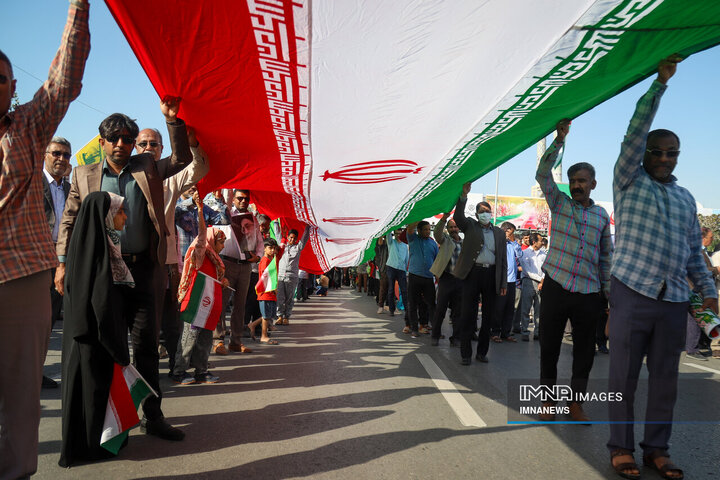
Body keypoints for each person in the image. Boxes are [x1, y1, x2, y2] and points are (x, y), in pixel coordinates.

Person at [55, 99, 192, 442]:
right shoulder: (82, 174)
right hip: (104, 276)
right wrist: (61, 264)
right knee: (111, 348)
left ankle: (153, 415)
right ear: (101, 141)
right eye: (114, 138)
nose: (121, 144)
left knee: (146, 346)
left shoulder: (146, 166)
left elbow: (181, 159)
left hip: (144, 270)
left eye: (127, 138)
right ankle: (115, 422)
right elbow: (70, 221)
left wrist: (171, 121)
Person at [607, 57, 717, 480]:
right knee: (623, 378)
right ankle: (620, 447)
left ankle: (657, 449)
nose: (664, 158)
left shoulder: (687, 199)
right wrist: (660, 84)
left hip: (673, 299)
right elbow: (633, 135)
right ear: (645, 154)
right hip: (631, 290)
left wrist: (707, 290)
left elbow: (694, 252)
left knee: (665, 381)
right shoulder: (628, 180)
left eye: (672, 153)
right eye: (657, 151)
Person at [0, 1, 90, 477]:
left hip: (17, 277)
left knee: (18, 395)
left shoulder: (26, 129)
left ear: (12, 90)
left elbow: (64, 78)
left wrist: (78, 7)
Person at [535, 119, 612, 422]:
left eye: (583, 180)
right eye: (573, 181)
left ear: (593, 183)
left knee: (585, 352)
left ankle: (576, 404)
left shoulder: (602, 216)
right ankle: (547, 402)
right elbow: (542, 174)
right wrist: (559, 140)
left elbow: (606, 258)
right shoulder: (560, 204)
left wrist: (607, 297)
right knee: (549, 347)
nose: (578, 185)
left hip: (589, 294)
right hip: (556, 286)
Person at [59, 192, 132, 467]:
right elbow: (99, 302)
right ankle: (91, 447)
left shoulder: (102, 244)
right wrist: (115, 344)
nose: (125, 217)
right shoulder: (98, 250)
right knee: (90, 391)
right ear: (106, 216)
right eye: (121, 211)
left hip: (93, 335)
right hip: (93, 337)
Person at [135, 126, 209, 374]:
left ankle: (172, 369)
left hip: (162, 262)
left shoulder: (170, 177)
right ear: (136, 147)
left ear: (161, 149)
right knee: (136, 324)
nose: (148, 148)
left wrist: (192, 145)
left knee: (167, 319)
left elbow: (200, 169)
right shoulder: (125, 173)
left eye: (154, 144)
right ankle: (137, 375)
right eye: (143, 144)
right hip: (127, 260)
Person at [172, 192, 229, 385]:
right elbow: (203, 237)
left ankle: (201, 371)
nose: (222, 245)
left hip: (208, 305)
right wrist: (199, 209)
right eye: (221, 241)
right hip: (195, 302)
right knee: (189, 337)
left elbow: (223, 218)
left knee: (205, 339)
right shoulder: (200, 252)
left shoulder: (216, 259)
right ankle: (179, 371)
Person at [453, 184, 507, 364]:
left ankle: (482, 353)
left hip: (491, 275)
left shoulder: (499, 233)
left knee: (488, 317)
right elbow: (458, 217)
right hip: (472, 274)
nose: (485, 213)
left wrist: (503, 283)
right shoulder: (470, 226)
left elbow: (503, 260)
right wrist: (463, 196)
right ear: (477, 215)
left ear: (492, 213)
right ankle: (466, 354)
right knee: (468, 314)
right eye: (482, 211)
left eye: (488, 210)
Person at [213, 190, 262, 354]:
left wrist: (258, 257)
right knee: (222, 303)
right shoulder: (225, 214)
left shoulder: (253, 218)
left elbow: (260, 242)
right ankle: (218, 340)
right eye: (240, 198)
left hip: (246, 266)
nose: (243, 201)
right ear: (233, 199)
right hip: (227, 263)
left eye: (246, 199)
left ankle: (236, 341)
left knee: (240, 305)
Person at [41, 136, 73, 388]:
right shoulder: (33, 183)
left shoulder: (71, 188)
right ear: (45, 154)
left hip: (62, 259)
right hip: (36, 258)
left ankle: (35, 372)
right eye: (56, 153)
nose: (61, 159)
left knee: (49, 318)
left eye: (66, 155)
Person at [430, 213, 463, 346]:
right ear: (448, 229)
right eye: (451, 227)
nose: (454, 229)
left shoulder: (464, 243)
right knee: (440, 309)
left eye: (455, 227)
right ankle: (435, 335)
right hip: (446, 278)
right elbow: (437, 233)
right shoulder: (445, 240)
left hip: (460, 280)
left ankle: (455, 338)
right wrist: (444, 218)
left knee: (457, 312)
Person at [406, 221, 439, 337]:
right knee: (413, 303)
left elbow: (437, 262)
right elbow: (410, 228)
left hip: (428, 278)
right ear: (419, 230)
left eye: (429, 229)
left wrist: (437, 277)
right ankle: (414, 329)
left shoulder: (433, 244)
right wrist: (418, 217)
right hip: (414, 276)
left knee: (431, 305)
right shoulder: (413, 239)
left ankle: (435, 330)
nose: (428, 231)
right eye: (425, 229)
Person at [491, 222, 521, 343]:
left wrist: (514, 241)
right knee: (499, 308)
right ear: (505, 231)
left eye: (513, 233)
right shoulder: (497, 243)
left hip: (512, 281)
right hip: (501, 280)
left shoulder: (512, 245)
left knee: (510, 308)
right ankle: (495, 332)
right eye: (511, 233)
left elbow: (520, 255)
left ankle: (506, 332)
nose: (511, 235)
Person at [248, 238, 281, 344]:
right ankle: (264, 336)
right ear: (264, 249)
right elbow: (265, 278)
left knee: (268, 315)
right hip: (266, 292)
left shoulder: (270, 260)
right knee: (266, 316)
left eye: (274, 248)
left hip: (270, 292)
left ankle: (252, 325)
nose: (272, 250)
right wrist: (273, 288)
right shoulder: (264, 261)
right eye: (270, 248)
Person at [276, 226, 311, 325]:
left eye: (294, 238)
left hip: (292, 277)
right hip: (280, 275)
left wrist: (308, 226)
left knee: (289, 298)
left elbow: (305, 238)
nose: (292, 239)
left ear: (296, 239)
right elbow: (278, 234)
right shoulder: (282, 246)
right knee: (280, 297)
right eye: (290, 237)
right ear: (287, 237)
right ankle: (279, 316)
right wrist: (275, 222)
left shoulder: (298, 247)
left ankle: (287, 317)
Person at [518, 233, 546, 341]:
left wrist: (542, 281)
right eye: (540, 240)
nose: (542, 242)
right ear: (534, 242)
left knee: (538, 309)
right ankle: (524, 331)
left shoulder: (543, 254)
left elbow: (546, 269)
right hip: (528, 282)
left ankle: (537, 332)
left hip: (541, 283)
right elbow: (527, 270)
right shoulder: (524, 253)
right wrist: (541, 280)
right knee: (526, 308)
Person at [386, 228, 410, 324]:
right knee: (391, 289)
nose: (398, 235)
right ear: (394, 234)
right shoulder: (391, 242)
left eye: (400, 234)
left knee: (404, 290)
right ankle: (392, 309)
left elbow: (407, 258)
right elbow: (388, 233)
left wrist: (407, 270)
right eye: (396, 233)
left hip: (401, 269)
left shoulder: (405, 245)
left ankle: (407, 310)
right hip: (391, 267)